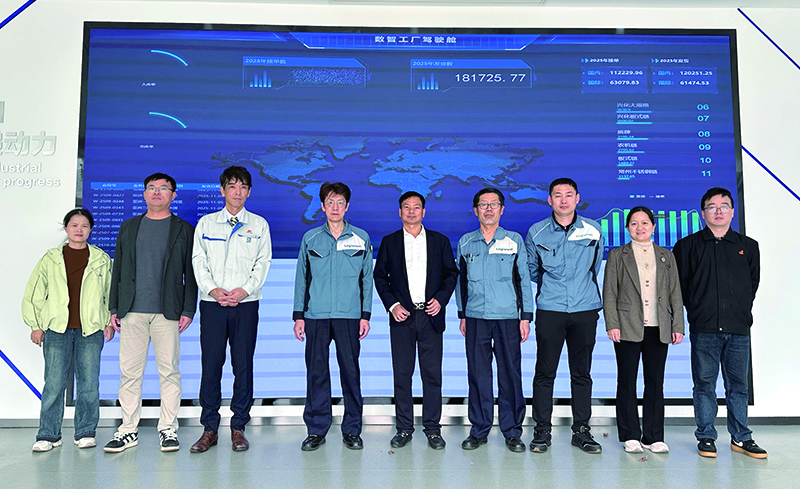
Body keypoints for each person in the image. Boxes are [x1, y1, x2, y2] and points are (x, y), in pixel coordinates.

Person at [105, 173, 198, 453]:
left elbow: (191, 273)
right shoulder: (129, 227)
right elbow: (118, 269)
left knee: (169, 372)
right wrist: (114, 307)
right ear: (144, 194)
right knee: (129, 374)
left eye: (163, 188)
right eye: (152, 188)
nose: (157, 192)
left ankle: (168, 428)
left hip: (168, 312)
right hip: (131, 311)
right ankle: (127, 430)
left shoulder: (184, 229)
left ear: (173, 195)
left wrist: (188, 309)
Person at [673, 187, 766, 459]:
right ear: (703, 213)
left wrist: (739, 308)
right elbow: (682, 287)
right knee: (704, 385)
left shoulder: (748, 246)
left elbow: (752, 283)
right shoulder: (687, 246)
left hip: (738, 328)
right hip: (705, 328)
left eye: (724, 206)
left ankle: (741, 437)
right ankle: (706, 436)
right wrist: (698, 310)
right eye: (712, 207)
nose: (718, 211)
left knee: (738, 387)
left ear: (732, 211)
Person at [190, 166, 272, 453]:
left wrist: (244, 290)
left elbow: (263, 263)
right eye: (232, 186)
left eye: (243, 187)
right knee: (211, 365)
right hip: (213, 305)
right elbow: (198, 261)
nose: (238, 192)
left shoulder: (258, 225)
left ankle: (238, 427)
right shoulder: (206, 224)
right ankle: (209, 429)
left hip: (245, 305)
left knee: (243, 365)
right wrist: (213, 290)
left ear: (249, 192)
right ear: (222, 190)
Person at [22, 209, 114, 452]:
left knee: (88, 385)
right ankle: (48, 435)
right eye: (74, 225)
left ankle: (85, 432)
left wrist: (107, 321)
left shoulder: (101, 259)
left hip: (90, 331)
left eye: (84, 225)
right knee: (53, 384)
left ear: (90, 229)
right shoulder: (50, 258)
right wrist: (35, 325)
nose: (79, 230)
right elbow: (34, 293)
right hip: (56, 330)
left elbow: (109, 294)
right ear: (66, 228)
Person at [374, 191, 458, 450]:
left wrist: (441, 300)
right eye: (406, 207)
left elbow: (451, 274)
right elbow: (380, 277)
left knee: (432, 375)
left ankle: (433, 429)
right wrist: (393, 305)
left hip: (431, 316)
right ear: (400, 212)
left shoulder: (439, 241)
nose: (411, 211)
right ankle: (404, 428)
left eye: (416, 207)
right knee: (402, 374)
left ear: (424, 211)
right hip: (403, 317)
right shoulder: (390, 242)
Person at [525, 177, 604, 454]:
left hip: (584, 309)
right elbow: (533, 270)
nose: (563, 200)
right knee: (544, 373)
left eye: (568, 195)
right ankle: (542, 430)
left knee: (581, 373)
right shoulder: (536, 232)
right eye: (557, 195)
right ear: (549, 200)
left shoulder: (593, 230)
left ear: (577, 198)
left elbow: (594, 268)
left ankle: (581, 430)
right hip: (551, 309)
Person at [293, 182, 372, 451]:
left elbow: (367, 279)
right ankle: (316, 430)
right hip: (315, 316)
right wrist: (299, 315)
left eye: (340, 203)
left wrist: (365, 315)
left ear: (347, 206)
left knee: (350, 373)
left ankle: (352, 430)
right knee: (316, 373)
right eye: (330, 202)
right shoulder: (310, 238)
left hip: (349, 316)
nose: (335, 207)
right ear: (322, 206)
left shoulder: (361, 237)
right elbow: (301, 279)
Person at [456, 188, 533, 453]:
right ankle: (479, 429)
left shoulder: (514, 241)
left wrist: (525, 317)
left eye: (494, 204)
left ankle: (512, 431)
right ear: (475, 210)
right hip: (475, 317)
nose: (488, 209)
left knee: (510, 373)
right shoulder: (466, 242)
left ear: (502, 209)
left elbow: (523, 280)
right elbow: (461, 282)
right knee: (478, 373)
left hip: (508, 317)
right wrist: (462, 314)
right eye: (483, 204)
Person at [603, 206, 684, 454]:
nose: (640, 227)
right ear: (627, 228)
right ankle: (630, 435)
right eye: (634, 223)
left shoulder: (666, 255)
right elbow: (610, 292)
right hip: (627, 326)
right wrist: (612, 323)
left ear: (653, 227)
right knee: (627, 382)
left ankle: (653, 436)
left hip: (659, 326)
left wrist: (678, 325)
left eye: (645, 223)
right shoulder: (618, 255)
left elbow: (675, 292)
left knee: (655, 382)